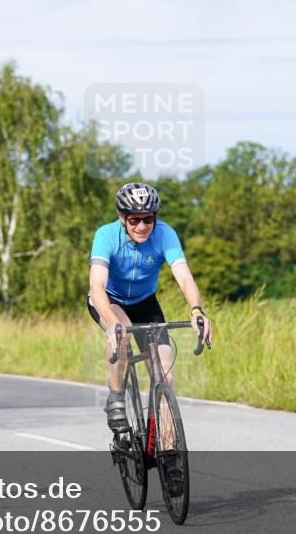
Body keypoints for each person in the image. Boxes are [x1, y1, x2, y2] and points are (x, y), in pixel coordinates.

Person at [88, 182, 213, 431]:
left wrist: (196, 309)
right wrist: (111, 324)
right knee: (123, 330)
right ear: (122, 218)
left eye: (148, 219)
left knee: (165, 374)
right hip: (110, 300)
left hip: (145, 303)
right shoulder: (106, 235)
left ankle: (168, 447)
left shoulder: (165, 234)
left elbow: (184, 277)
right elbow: (97, 285)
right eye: (134, 220)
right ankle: (116, 397)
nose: (142, 226)